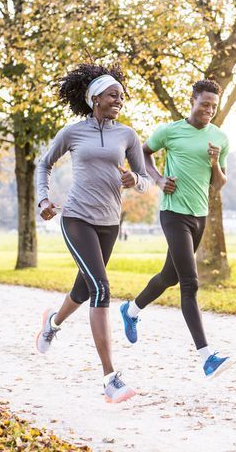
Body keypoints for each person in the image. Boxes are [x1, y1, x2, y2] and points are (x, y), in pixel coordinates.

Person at [34, 63, 149, 403]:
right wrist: (43, 199)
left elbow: (144, 181)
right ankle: (110, 379)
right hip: (77, 218)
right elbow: (44, 164)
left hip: (109, 222)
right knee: (101, 288)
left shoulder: (127, 135)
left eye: (122, 97)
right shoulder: (72, 133)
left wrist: (134, 180)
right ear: (95, 98)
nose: (119, 101)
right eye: (113, 95)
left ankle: (52, 322)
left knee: (84, 289)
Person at [119, 79, 231, 378]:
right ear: (192, 101)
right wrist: (157, 179)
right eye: (204, 104)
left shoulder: (220, 138)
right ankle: (207, 358)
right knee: (189, 283)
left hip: (199, 216)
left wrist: (215, 162)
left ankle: (131, 310)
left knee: (169, 276)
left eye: (213, 106)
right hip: (173, 213)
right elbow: (142, 152)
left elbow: (219, 184)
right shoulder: (170, 131)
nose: (209, 110)